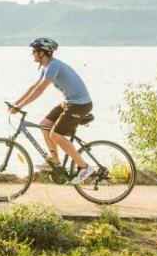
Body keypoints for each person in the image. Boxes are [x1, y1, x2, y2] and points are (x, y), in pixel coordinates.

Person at [8, 37, 98, 184]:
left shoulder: (53, 66)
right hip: (70, 102)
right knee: (44, 125)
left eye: (34, 51)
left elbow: (40, 89)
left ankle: (85, 167)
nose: (32, 54)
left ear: (43, 53)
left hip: (79, 104)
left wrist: (20, 107)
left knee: (55, 135)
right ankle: (55, 163)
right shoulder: (47, 67)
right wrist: (16, 103)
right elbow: (33, 87)